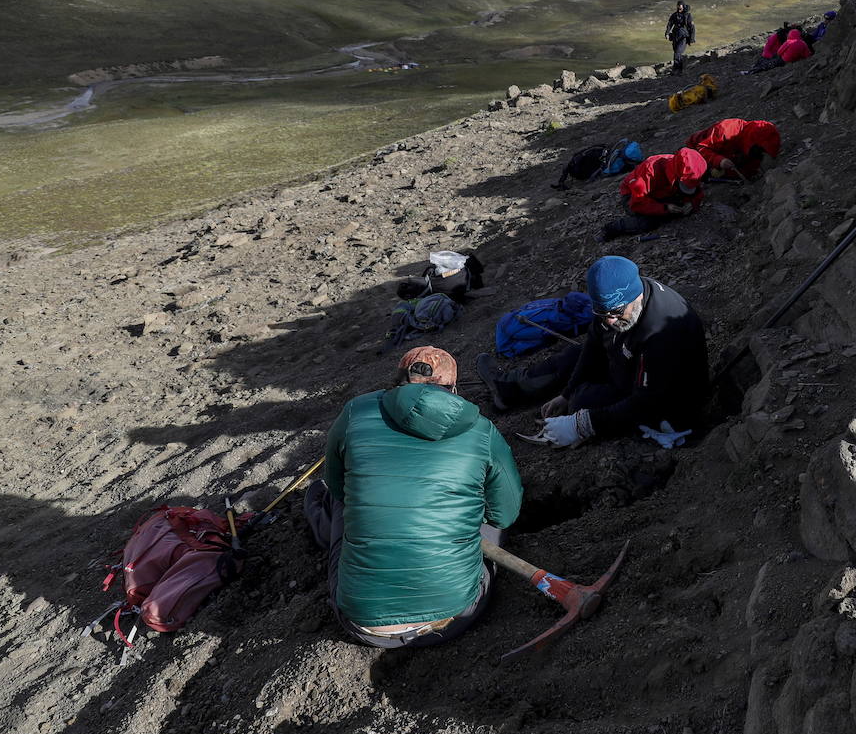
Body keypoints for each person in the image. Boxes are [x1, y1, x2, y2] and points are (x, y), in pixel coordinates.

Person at [304, 346, 523, 648]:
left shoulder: (356, 411)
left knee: (337, 500)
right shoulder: (483, 430)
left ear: (397, 382)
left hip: (364, 625)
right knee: (490, 513)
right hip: (455, 616)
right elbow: (506, 515)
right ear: (453, 388)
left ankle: (324, 531)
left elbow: (337, 487)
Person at [476, 256, 709, 447]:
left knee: (584, 401)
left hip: (665, 399)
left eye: (616, 312)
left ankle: (578, 413)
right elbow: (594, 345)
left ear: (635, 297)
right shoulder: (616, 302)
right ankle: (508, 389)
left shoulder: (661, 333)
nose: (609, 321)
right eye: (602, 314)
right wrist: (565, 393)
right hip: (628, 366)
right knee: (573, 358)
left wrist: (583, 423)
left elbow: (647, 400)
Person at [599, 147, 708, 240]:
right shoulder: (649, 170)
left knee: (679, 209)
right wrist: (665, 208)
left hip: (662, 192)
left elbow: (696, 193)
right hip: (632, 196)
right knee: (649, 222)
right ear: (677, 177)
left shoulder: (689, 172)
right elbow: (637, 202)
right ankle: (613, 228)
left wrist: (692, 204)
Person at [685, 118, 781, 180]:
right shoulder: (726, 130)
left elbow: (752, 160)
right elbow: (701, 148)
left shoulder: (751, 143)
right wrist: (719, 161)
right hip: (694, 149)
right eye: (761, 150)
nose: (761, 153)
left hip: (726, 154)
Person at [665, 0, 695, 74]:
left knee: (677, 53)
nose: (679, 8)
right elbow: (669, 24)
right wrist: (667, 33)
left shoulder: (688, 15)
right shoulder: (674, 15)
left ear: (683, 6)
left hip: (683, 37)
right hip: (675, 37)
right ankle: (679, 69)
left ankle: (677, 70)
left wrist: (691, 39)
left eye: (680, 7)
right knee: (676, 53)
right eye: (678, 6)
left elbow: (692, 28)